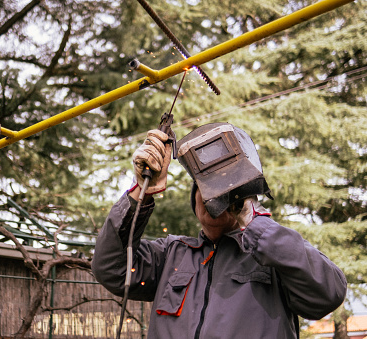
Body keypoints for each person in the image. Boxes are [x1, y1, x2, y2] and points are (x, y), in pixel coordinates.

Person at [91, 123, 347, 339]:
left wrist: (253, 220)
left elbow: (327, 294)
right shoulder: (171, 255)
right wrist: (142, 192)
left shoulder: (273, 254)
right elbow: (111, 268)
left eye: (226, 192)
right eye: (207, 189)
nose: (214, 199)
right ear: (195, 198)